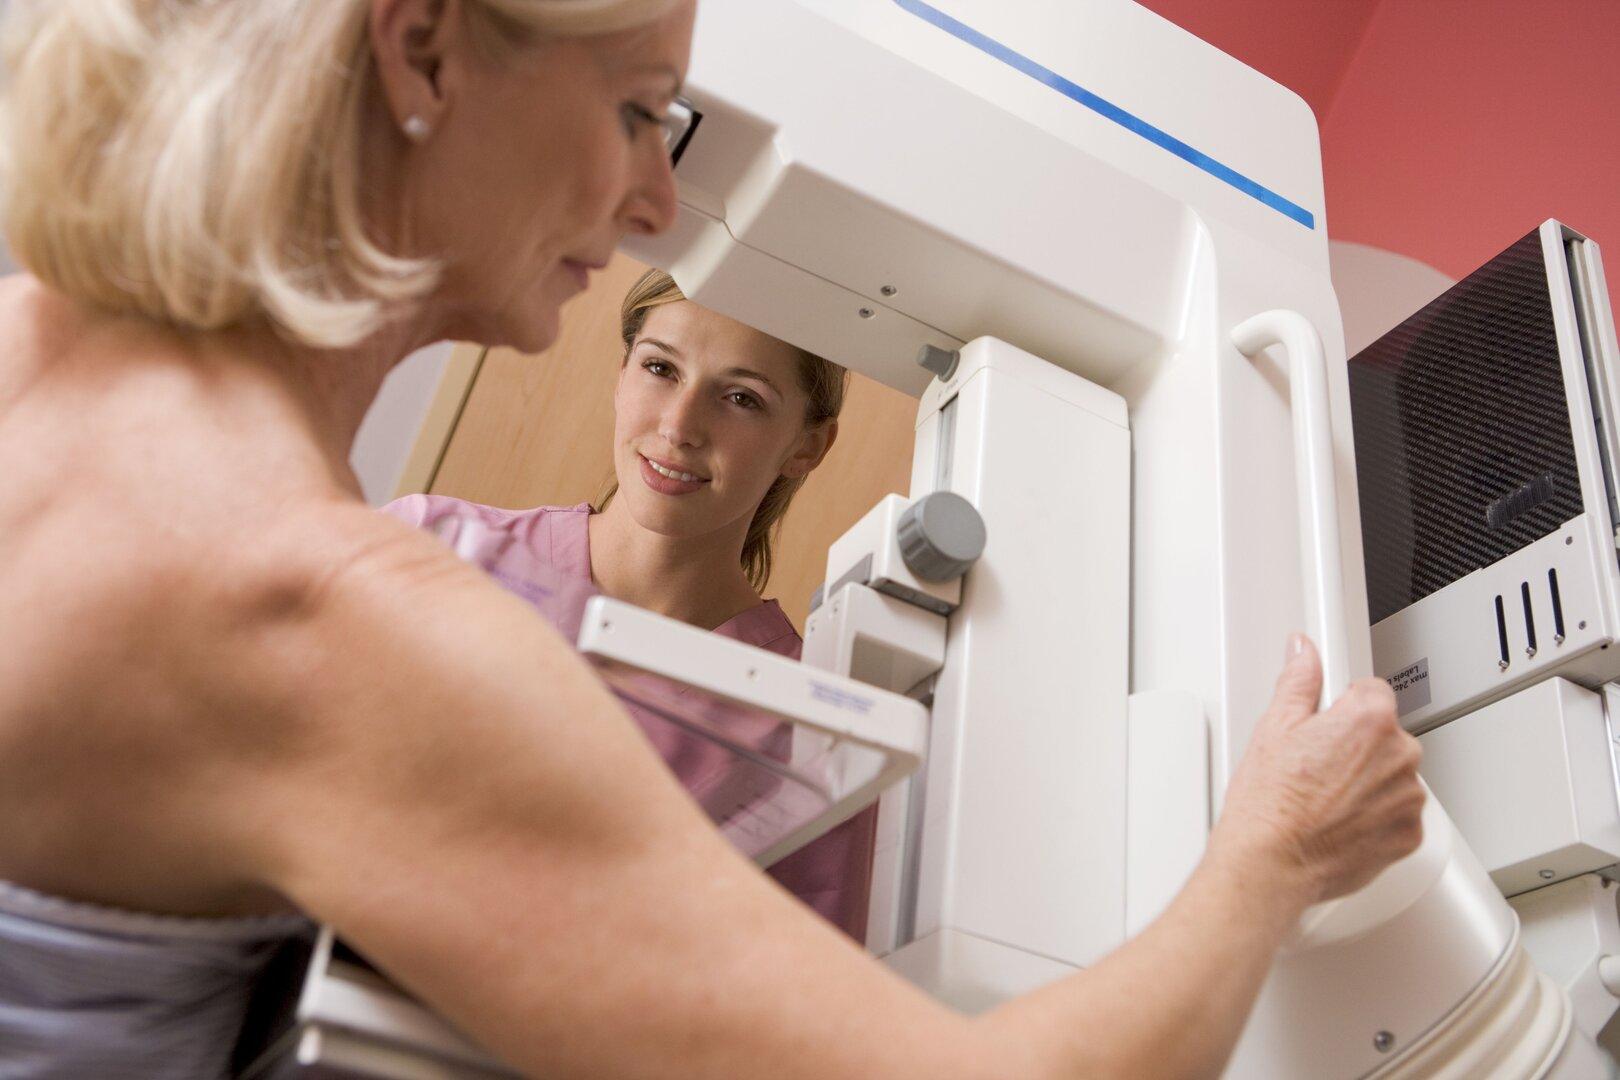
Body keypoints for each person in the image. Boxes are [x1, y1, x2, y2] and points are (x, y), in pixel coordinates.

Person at [0, 1, 1426, 1078]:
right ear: (424, 49)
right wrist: (1276, 856)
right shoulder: (337, 621)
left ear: (800, 442)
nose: (657, 202)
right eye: (637, 110)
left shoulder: (31, 347)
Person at [383, 268, 879, 939]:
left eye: (741, 398)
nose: (679, 427)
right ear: (621, 374)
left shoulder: (806, 737)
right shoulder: (432, 548)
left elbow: (785, 995)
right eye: (659, 368)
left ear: (807, 445)